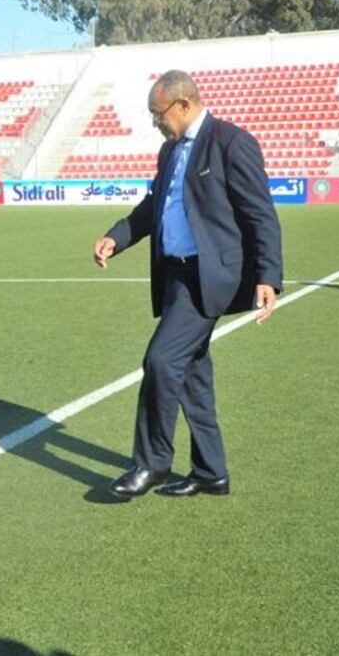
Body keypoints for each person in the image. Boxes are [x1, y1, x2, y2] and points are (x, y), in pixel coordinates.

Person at [93, 70, 283, 499]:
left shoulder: (232, 142)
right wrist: (116, 237)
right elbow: (153, 207)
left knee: (161, 360)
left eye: (157, 113)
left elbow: (260, 213)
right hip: (175, 275)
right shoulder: (169, 151)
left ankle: (151, 462)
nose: (155, 122)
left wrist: (268, 276)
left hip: (209, 277)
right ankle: (211, 472)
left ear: (183, 105)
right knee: (192, 374)